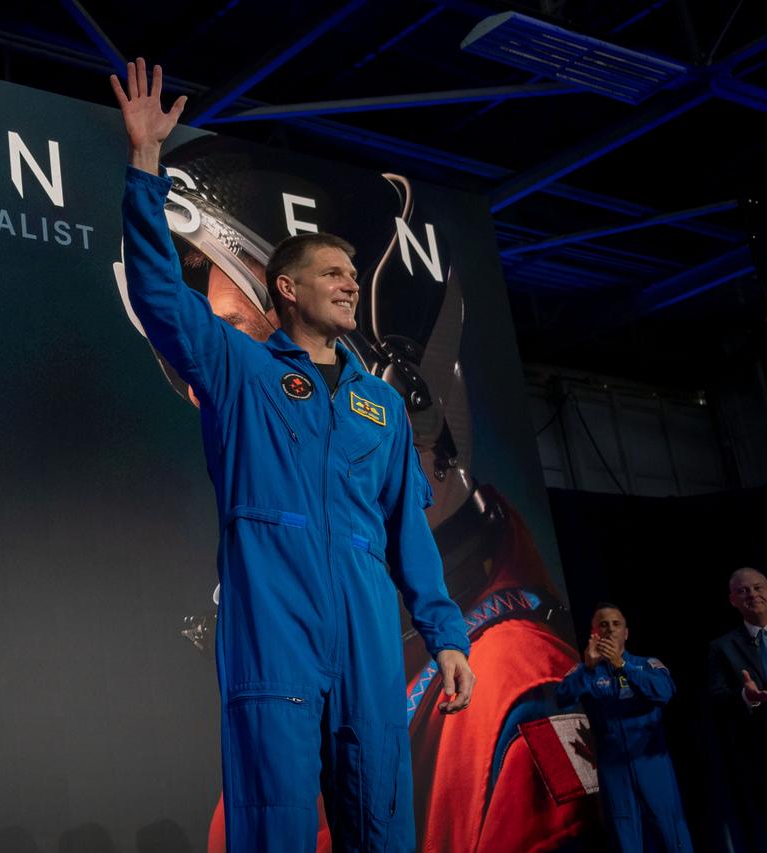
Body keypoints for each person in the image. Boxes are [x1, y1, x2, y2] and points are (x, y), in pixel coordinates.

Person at [111, 59, 473, 851]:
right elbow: (159, 295)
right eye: (333, 273)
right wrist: (144, 163)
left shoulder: (378, 404)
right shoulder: (239, 370)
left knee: (380, 821)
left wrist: (445, 633)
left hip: (368, 632)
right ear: (286, 289)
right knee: (273, 823)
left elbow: (409, 538)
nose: (350, 285)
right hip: (272, 621)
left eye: (352, 273)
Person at [555, 604, 691, 852]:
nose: (610, 629)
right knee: (624, 835)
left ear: (626, 633)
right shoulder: (585, 671)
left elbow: (664, 693)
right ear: (594, 633)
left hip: (653, 766)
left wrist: (622, 666)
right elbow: (562, 697)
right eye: (603, 624)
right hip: (614, 769)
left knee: (668, 830)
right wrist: (588, 667)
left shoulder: (646, 664)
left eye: (616, 624)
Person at [707, 567, 767, 850]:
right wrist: (745, 696)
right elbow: (717, 697)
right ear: (732, 600)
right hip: (760, 755)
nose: (752, 595)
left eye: (757, 587)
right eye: (743, 591)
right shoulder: (722, 647)